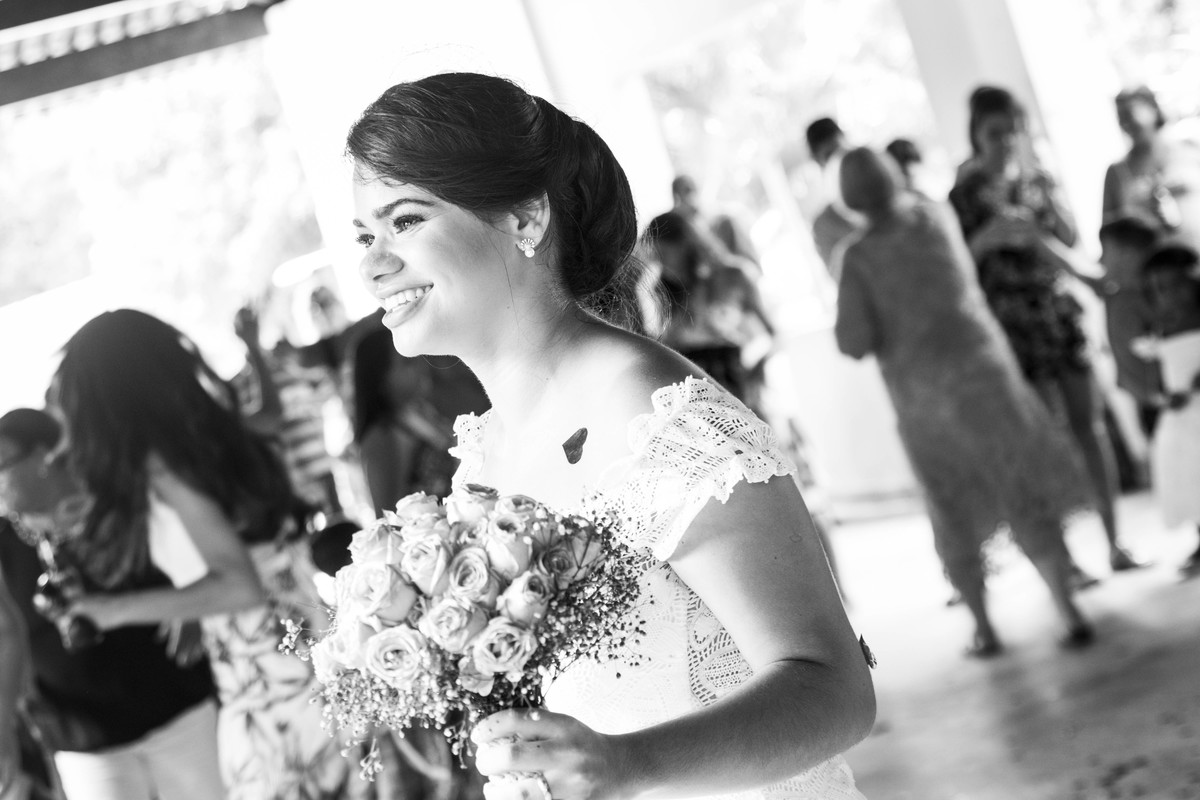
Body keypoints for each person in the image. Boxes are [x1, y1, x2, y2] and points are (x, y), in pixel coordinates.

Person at [347, 72, 875, 800]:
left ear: (525, 218)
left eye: (404, 222)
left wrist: (626, 766)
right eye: (365, 233)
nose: (373, 263)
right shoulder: (484, 452)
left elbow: (835, 692)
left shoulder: (657, 420)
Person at [46, 310, 351, 800]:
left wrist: (107, 611)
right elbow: (239, 559)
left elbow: (238, 585)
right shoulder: (215, 437)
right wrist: (192, 602)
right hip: (306, 640)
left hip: (267, 672)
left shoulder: (163, 464)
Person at [833, 147, 1095, 655]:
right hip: (989, 376)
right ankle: (1068, 609)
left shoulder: (858, 257)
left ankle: (985, 629)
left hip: (927, 399)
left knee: (952, 506)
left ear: (847, 196)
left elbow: (854, 341)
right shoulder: (937, 215)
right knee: (1024, 489)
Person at [948, 85, 1142, 575]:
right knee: (1039, 441)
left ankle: (1115, 542)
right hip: (1009, 326)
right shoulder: (962, 194)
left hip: (1057, 313)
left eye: (1014, 129)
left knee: (1089, 427)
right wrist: (986, 241)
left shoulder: (1040, 180)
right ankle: (1065, 559)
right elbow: (952, 274)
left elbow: (1070, 239)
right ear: (977, 135)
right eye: (996, 132)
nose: (1007, 140)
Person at [0, 408, 223, 800]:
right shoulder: (3, 539)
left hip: (176, 707)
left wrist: (189, 606)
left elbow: (198, 556)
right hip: (83, 739)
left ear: (41, 456)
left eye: (3, 464)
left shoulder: (111, 499)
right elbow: (5, 632)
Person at [1140, 234, 1200, 577]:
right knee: (1190, 477)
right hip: (1183, 417)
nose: (1169, 296)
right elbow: (1162, 375)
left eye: (1176, 285)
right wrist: (1164, 397)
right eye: (1159, 289)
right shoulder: (1160, 331)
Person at [1102, 85, 1200, 232]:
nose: (1125, 123)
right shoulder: (1117, 172)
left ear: (1153, 108)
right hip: (1159, 252)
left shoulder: (1189, 147)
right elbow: (1109, 229)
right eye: (1120, 118)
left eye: (1129, 114)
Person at [805, 117, 863, 279]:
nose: (840, 162)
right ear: (817, 161)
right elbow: (844, 283)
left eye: (841, 152)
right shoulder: (825, 226)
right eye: (830, 156)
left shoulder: (896, 194)